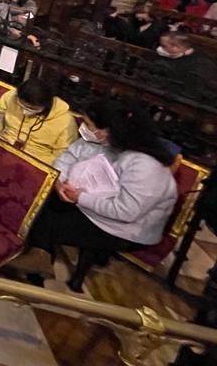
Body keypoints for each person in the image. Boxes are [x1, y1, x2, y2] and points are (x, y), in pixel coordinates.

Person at [24, 101, 176, 291]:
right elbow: (67, 159)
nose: (84, 129)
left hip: (125, 229)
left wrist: (80, 197)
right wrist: (60, 183)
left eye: (90, 125)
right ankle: (40, 259)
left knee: (48, 222)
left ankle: (39, 260)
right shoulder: (111, 146)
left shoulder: (146, 166)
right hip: (95, 207)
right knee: (41, 202)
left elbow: (126, 211)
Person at [0, 78, 77, 165]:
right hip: (3, 145)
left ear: (46, 105)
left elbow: (62, 156)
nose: (24, 111)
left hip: (36, 161)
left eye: (31, 108)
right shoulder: (10, 97)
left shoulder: (65, 121)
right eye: (21, 105)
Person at [156, 31, 217, 102]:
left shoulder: (202, 64)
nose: (160, 48)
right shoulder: (171, 56)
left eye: (164, 46)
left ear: (176, 47)